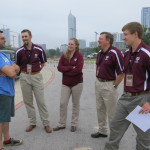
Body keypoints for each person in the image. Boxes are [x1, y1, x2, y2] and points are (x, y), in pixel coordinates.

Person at [104, 22, 150, 150]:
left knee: (143, 138)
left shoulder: (146, 53)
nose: (123, 37)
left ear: (135, 34)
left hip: (142, 99)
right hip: (125, 98)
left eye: (125, 34)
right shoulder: (127, 54)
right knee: (114, 130)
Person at [16, 29, 52, 133]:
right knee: (28, 102)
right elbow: (17, 65)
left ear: (30, 36)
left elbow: (43, 62)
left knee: (41, 101)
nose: (24, 38)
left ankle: (46, 123)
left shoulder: (39, 49)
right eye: (22, 37)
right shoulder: (19, 51)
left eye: (25, 36)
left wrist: (36, 71)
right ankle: (32, 122)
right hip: (24, 77)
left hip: (36, 76)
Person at [91, 32, 124, 138]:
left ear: (108, 40)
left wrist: (114, 86)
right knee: (100, 109)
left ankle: (114, 135)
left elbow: (122, 72)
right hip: (99, 83)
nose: (98, 40)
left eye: (101, 38)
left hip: (109, 84)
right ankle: (102, 130)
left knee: (112, 112)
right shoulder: (100, 53)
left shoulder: (115, 52)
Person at [53, 38, 84, 132]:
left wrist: (66, 69)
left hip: (77, 83)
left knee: (75, 104)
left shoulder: (79, 56)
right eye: (69, 44)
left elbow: (78, 70)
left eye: (72, 44)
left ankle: (74, 124)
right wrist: (71, 68)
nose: (70, 45)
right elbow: (59, 67)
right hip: (66, 83)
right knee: (63, 103)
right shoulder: (64, 55)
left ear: (76, 46)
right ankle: (61, 124)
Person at [0, 30, 23, 150]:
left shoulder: (3, 55)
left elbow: (17, 68)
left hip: (8, 91)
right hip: (1, 92)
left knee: (5, 118)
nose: (5, 40)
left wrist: (12, 69)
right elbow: (12, 73)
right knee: (0, 119)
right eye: (2, 38)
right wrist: (11, 70)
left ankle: (7, 140)